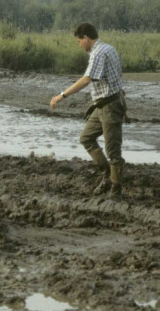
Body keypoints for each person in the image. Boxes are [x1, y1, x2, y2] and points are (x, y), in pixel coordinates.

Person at [50, 22, 128, 197]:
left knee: (113, 151)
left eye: (79, 41)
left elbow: (86, 80)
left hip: (110, 105)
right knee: (86, 138)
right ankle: (106, 173)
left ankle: (115, 189)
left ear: (86, 38)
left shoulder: (98, 53)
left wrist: (61, 96)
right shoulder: (108, 48)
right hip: (101, 105)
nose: (79, 45)